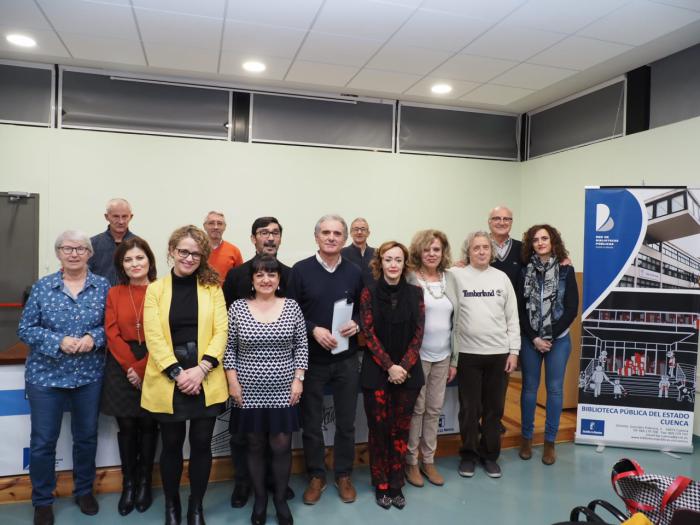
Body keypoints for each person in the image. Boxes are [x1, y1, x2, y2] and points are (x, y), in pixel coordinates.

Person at [18, 230, 110, 525]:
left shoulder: (103, 286)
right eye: (67, 248)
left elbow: (111, 326)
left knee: (86, 438)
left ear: (89, 254)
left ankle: (84, 491)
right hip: (45, 377)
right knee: (43, 442)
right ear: (58, 253)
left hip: (88, 376)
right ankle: (42, 500)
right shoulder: (42, 287)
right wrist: (57, 341)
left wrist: (93, 337)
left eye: (80, 248)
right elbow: (26, 328)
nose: (74, 253)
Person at [142, 225, 228, 525]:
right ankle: (172, 506)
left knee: (202, 445)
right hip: (170, 377)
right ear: (172, 252)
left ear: (203, 256)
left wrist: (201, 368)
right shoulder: (155, 289)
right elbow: (153, 336)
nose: (189, 258)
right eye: (183, 252)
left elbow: (221, 333)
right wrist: (179, 373)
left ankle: (195, 507)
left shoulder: (212, 288)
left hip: (206, 374)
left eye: (196, 253)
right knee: (172, 446)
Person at [224, 255, 308, 525]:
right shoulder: (237, 308)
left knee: (282, 447)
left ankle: (280, 500)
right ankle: (260, 500)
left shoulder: (292, 307)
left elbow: (302, 346)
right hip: (247, 391)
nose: (266, 280)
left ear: (279, 279)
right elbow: (228, 349)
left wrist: (298, 379)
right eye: (259, 275)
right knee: (255, 445)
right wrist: (232, 382)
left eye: (271, 274)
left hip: (284, 389)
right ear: (251, 280)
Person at [287, 214, 363, 505]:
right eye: (326, 233)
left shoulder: (355, 272)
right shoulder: (300, 271)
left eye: (337, 233)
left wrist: (356, 323)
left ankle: (343, 474)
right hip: (311, 362)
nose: (331, 238)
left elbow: (363, 310)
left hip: (346, 359)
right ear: (316, 237)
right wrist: (312, 329)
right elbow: (291, 314)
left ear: (344, 239)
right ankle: (316, 475)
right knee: (311, 423)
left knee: (346, 423)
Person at [222, 216, 292, 508]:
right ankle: (244, 484)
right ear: (253, 238)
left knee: (278, 439)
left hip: (281, 376)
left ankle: (277, 486)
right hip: (246, 375)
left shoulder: (290, 274)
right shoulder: (237, 275)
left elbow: (297, 322)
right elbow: (226, 325)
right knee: (245, 438)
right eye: (264, 233)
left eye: (275, 233)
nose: (270, 238)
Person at [360, 241, 424, 509]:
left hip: (408, 373)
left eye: (398, 259)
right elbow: (368, 334)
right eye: (388, 259)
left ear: (404, 263)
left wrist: (403, 367)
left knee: (401, 430)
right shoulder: (368, 293)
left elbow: (419, 334)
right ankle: (381, 483)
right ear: (380, 263)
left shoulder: (416, 293)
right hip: (377, 371)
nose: (394, 264)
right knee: (379, 430)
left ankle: (397, 482)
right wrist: (390, 367)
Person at [451, 231, 519, 479]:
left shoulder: (501, 278)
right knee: (469, 409)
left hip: (498, 355)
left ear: (491, 251)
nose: (481, 251)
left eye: (485, 248)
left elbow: (512, 317)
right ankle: (468, 454)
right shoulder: (455, 275)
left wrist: (514, 351)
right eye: (476, 248)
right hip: (467, 354)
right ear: (467, 251)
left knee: (493, 409)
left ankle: (490, 456)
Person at [101, 237, 159, 515]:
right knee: (127, 428)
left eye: (139, 258)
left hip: (156, 360)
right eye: (128, 260)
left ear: (149, 260)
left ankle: (146, 483)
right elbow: (111, 333)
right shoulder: (114, 293)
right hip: (120, 364)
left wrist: (143, 367)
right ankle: (129, 484)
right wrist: (131, 368)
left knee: (149, 426)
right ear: (121, 265)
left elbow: (166, 335)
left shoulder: (162, 290)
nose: (135, 264)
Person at [516, 224, 578, 465]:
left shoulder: (566, 269)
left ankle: (550, 442)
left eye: (545, 238)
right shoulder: (524, 271)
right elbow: (520, 309)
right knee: (529, 389)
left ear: (553, 241)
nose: (540, 242)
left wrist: (550, 336)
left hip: (558, 340)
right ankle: (526, 438)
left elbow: (572, 307)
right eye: (535, 239)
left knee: (554, 390)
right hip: (530, 338)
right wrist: (534, 337)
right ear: (530, 244)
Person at [404, 230, 459, 488]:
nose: (431, 254)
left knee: (434, 409)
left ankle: (429, 460)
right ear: (419, 252)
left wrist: (454, 360)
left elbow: (456, 321)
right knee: (417, 409)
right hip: (418, 356)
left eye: (436, 249)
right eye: (427, 249)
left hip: (444, 355)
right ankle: (411, 462)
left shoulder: (450, 279)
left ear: (443, 252)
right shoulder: (410, 278)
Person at [89, 198, 136, 285]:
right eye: (116, 216)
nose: (121, 221)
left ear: (131, 217)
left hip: (129, 296)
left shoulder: (138, 244)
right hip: (100, 297)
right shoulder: (92, 244)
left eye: (125, 216)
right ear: (107, 217)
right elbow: (83, 275)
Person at [203, 211, 243, 283]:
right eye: (211, 223)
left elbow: (240, 277)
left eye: (219, 224)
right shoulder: (197, 249)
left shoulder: (234, 251)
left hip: (226, 294)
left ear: (224, 227)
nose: (216, 227)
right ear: (205, 226)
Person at [341, 217, 375, 287]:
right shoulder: (341, 253)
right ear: (350, 233)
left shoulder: (377, 253)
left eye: (363, 229)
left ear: (368, 233)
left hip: (373, 296)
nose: (359, 232)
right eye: (356, 229)